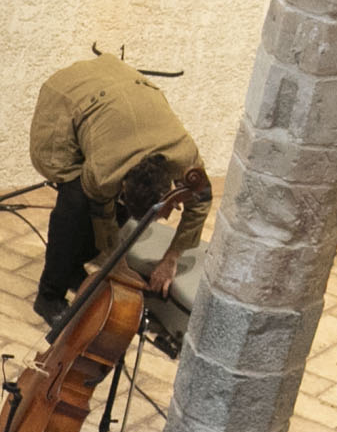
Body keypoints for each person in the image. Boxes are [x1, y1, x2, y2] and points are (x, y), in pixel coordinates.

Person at [29, 54, 206, 319]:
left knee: (110, 211)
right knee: (74, 203)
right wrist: (118, 264)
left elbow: (201, 202)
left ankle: (73, 267)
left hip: (121, 93)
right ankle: (49, 294)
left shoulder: (184, 157)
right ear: (122, 186)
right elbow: (104, 220)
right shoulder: (104, 173)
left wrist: (171, 259)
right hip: (70, 95)